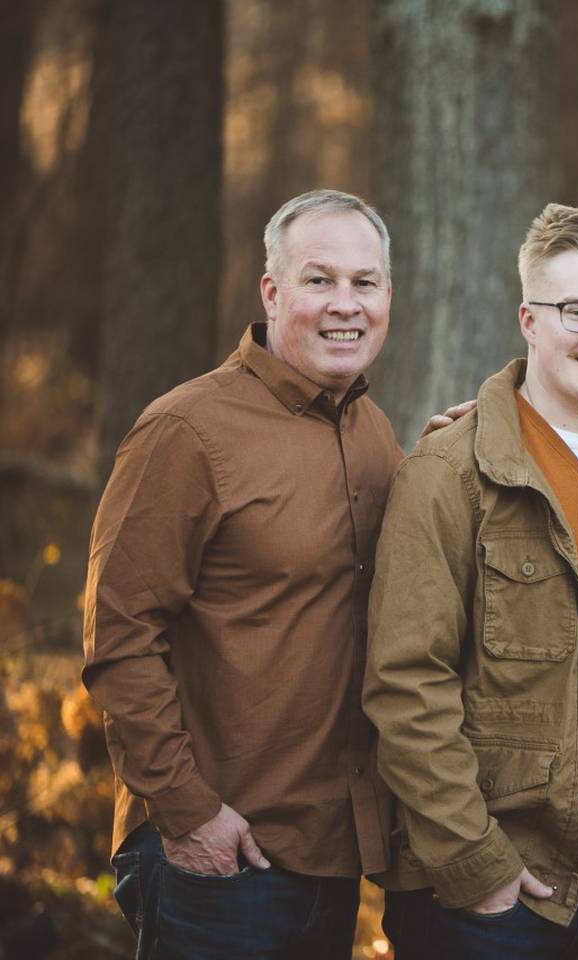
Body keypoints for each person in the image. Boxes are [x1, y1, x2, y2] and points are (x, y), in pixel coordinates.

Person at [83, 189, 402, 959]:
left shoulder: (372, 431)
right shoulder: (185, 431)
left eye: (366, 283)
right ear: (272, 292)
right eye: (319, 280)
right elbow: (119, 637)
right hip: (220, 857)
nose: (345, 306)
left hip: (330, 854)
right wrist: (190, 814)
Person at [364, 203, 578, 959]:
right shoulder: (449, 474)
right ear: (529, 320)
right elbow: (405, 683)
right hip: (486, 897)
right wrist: (477, 867)